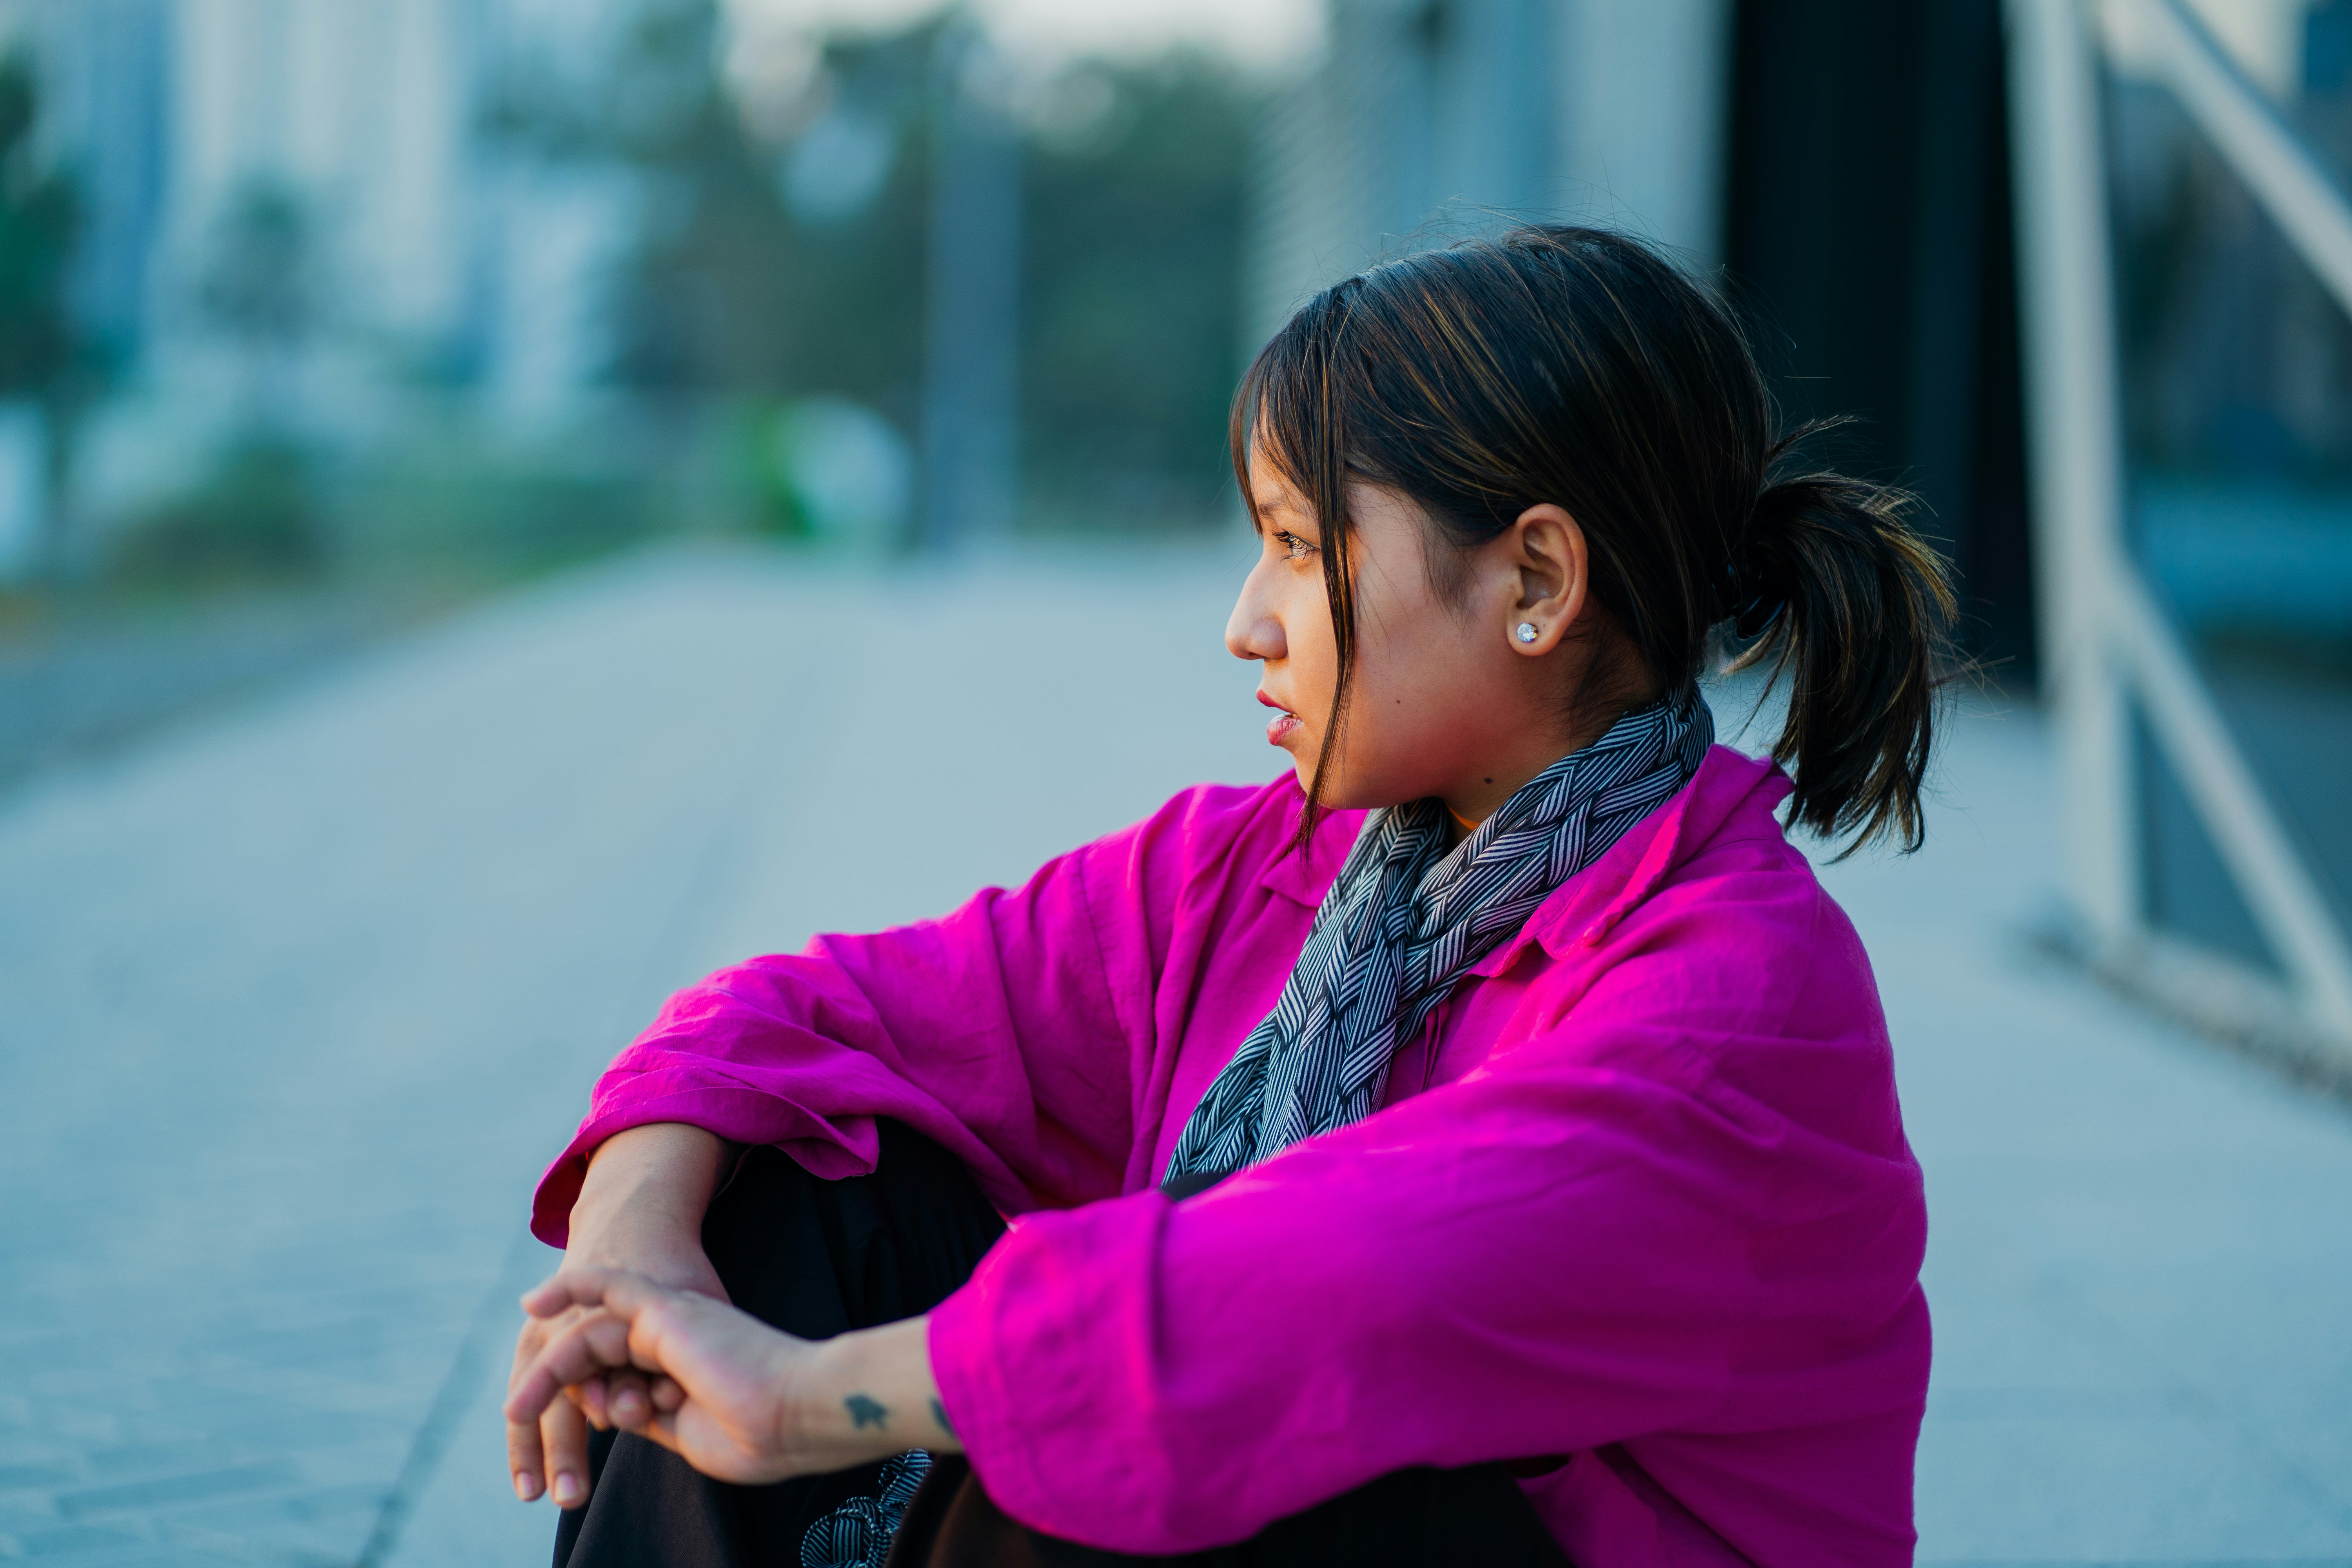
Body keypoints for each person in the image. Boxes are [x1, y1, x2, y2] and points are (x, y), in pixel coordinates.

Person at [505, 225, 1954, 1568]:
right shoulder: (1259, 869)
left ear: (1537, 578)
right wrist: (636, 1260)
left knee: (1176, 1408)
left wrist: (820, 1400)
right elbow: (801, 1015)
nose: (1244, 622)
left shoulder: (1734, 1004)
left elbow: (1320, 1287)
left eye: (1300, 547)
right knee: (793, 1197)